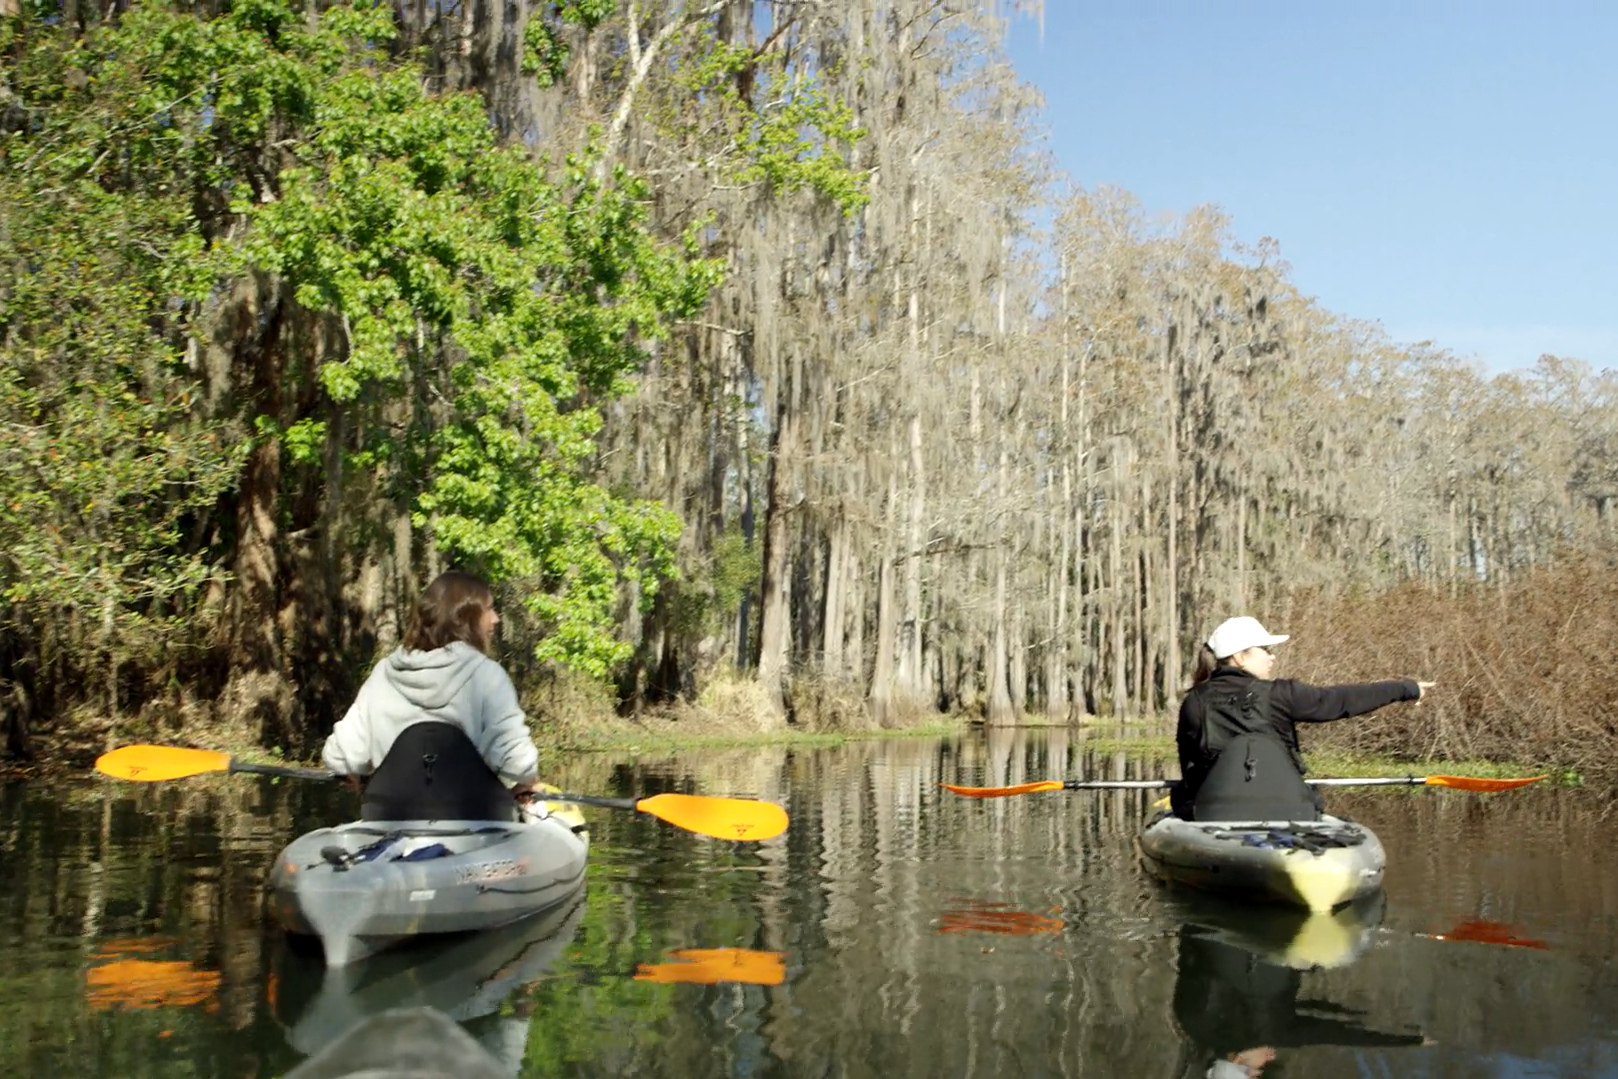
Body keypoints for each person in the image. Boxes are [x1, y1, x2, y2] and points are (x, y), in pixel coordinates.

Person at [323, 571, 540, 820]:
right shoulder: (486, 675)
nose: (496, 619)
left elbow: (339, 755)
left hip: (391, 824)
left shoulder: (384, 673)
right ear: (465, 618)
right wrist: (528, 780)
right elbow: (519, 762)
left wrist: (354, 774)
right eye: (489, 609)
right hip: (475, 825)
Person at [1172, 616, 1435, 821]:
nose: (1271, 656)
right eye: (1265, 649)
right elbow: (1341, 700)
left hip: (1215, 812)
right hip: (1285, 807)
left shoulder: (1194, 701)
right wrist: (1404, 688)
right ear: (1240, 657)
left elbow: (1190, 769)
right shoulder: (1280, 694)